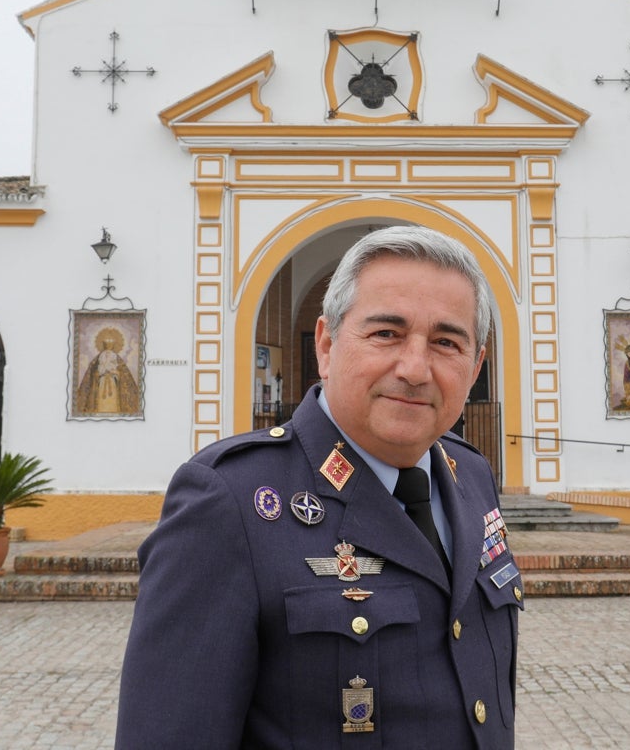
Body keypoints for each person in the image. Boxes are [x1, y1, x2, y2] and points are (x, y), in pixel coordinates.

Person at [115, 225, 522, 749]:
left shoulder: (473, 477)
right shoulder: (230, 502)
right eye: (386, 334)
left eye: (446, 342)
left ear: (475, 367)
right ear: (327, 346)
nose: (416, 368)